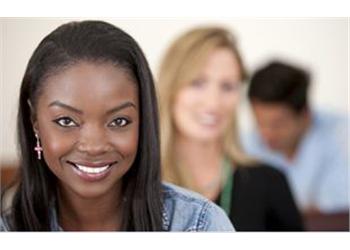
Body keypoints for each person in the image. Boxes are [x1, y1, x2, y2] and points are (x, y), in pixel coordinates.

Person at [0, 20, 234, 231]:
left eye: (119, 121)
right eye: (66, 121)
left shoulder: (199, 226)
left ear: (144, 121)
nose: (93, 146)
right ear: (35, 124)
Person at [157, 26, 304, 231]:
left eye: (227, 86)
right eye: (198, 83)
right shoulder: (135, 184)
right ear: (170, 87)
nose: (213, 103)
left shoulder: (270, 183)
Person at [243, 60, 348, 213]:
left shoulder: (341, 135)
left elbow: (334, 214)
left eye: (277, 124)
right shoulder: (246, 144)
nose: (266, 133)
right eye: (259, 122)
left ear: (305, 115)